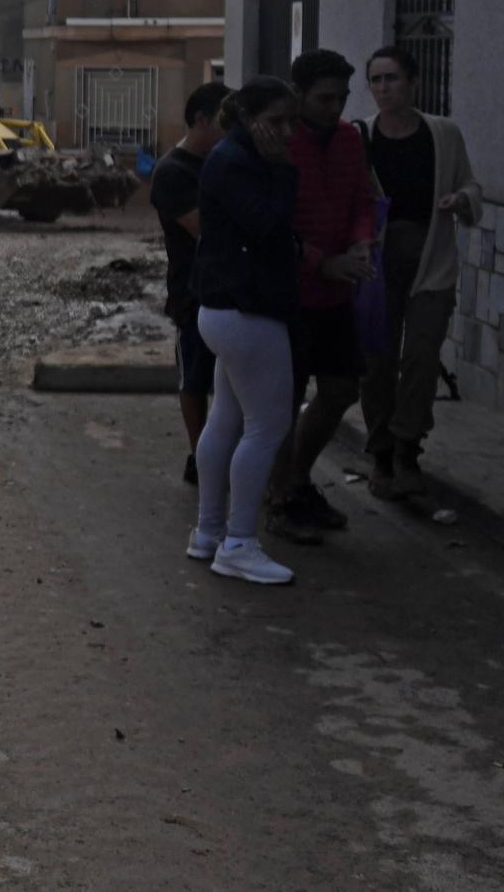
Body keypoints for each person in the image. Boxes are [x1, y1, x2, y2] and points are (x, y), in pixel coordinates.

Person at [191, 75, 303, 585]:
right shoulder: (242, 163)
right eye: (276, 121)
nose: (285, 132)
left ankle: (209, 533)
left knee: (227, 421)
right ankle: (238, 541)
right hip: (247, 311)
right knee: (267, 426)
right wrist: (283, 172)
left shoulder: (231, 158)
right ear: (249, 118)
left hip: (223, 310)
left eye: (289, 122)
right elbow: (268, 226)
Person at [358, 47, 481, 498]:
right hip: (378, 267)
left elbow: (469, 183)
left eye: (392, 78)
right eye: (376, 80)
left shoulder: (443, 134)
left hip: (432, 261)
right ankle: (382, 455)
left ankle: (409, 448)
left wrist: (462, 201)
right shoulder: (362, 137)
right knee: (377, 362)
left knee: (421, 357)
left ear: (412, 82)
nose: (384, 88)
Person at [265, 49, 376, 544]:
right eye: (324, 98)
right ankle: (278, 498)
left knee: (340, 391)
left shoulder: (352, 140)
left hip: (336, 294)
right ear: (299, 96)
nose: (335, 107)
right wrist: (319, 261)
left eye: (342, 98)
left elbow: (363, 201)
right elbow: (271, 226)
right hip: (289, 294)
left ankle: (298, 479)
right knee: (283, 402)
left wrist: (360, 240)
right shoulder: (280, 145)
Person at [149, 81, 230, 487]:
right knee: (195, 379)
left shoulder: (225, 161)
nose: (230, 131)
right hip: (192, 293)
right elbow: (205, 229)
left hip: (230, 292)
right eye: (223, 121)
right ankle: (200, 456)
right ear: (200, 119)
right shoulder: (172, 172)